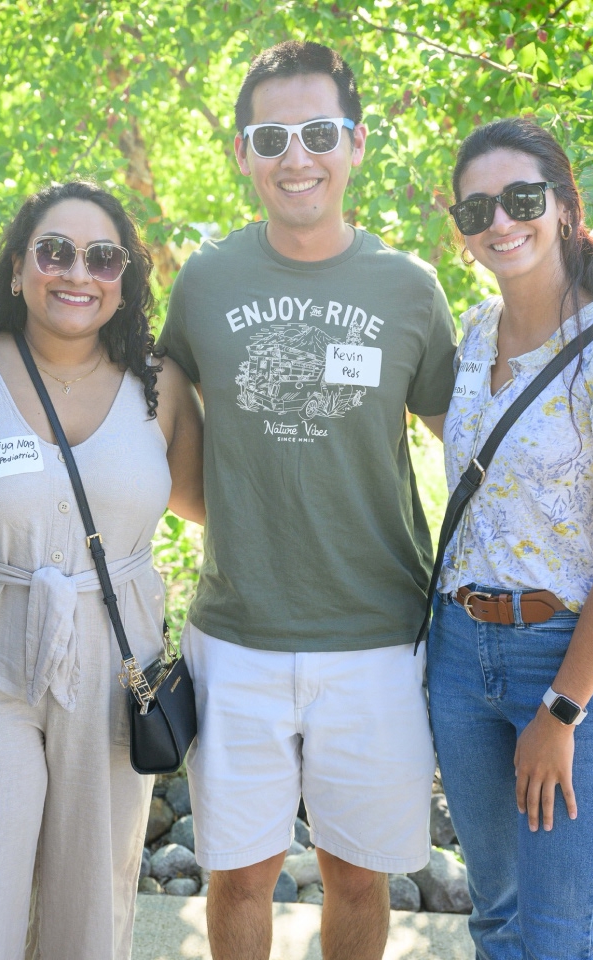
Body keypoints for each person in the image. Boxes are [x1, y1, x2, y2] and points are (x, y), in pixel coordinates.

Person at [157, 41, 457, 960]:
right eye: (272, 135)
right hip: (236, 637)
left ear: (355, 144)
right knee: (238, 874)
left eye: (319, 132)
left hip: (375, 637)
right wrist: (256, 519)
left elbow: (474, 448)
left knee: (356, 871)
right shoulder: (204, 283)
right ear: (243, 153)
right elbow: (164, 445)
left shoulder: (409, 289)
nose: (298, 156)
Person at [0, 179, 204, 960]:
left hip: (117, 665)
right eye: (55, 251)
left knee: (91, 908)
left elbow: (227, 509)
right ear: (16, 269)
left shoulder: (161, 387)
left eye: (103, 256)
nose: (79, 272)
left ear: (125, 279)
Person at [427, 116, 593, 960]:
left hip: (569, 664)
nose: (500, 221)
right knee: (495, 916)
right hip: (461, 657)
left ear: (566, 208)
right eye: (476, 210)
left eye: (521, 198)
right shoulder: (471, 338)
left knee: (551, 939)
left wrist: (562, 712)